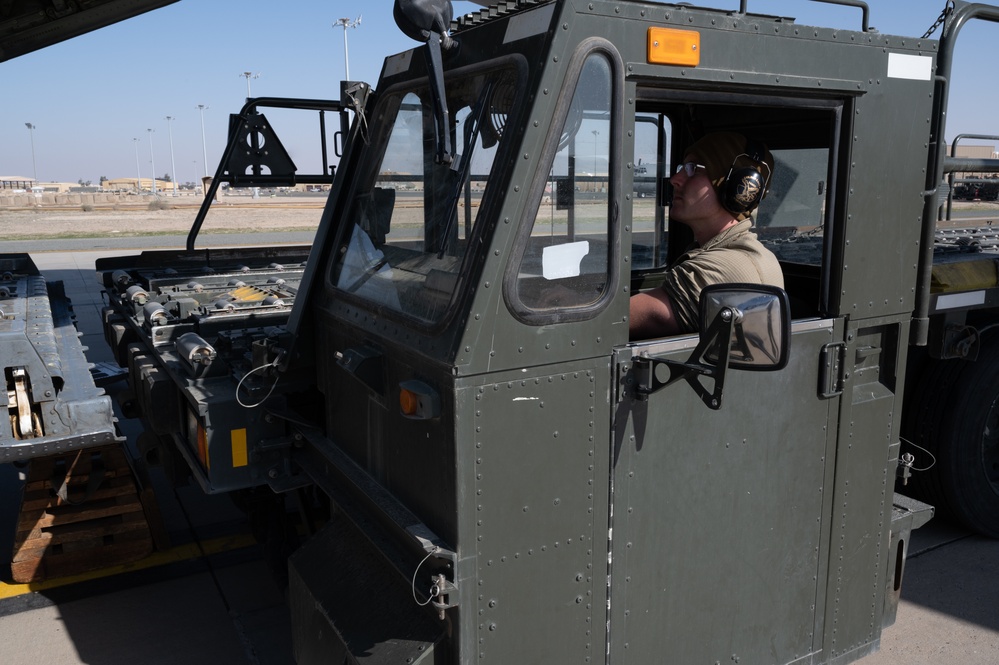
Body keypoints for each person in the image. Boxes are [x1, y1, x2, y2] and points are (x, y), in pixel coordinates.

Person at [629, 132, 785, 340]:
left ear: (736, 186)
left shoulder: (725, 267)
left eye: (694, 169)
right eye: (682, 168)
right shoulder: (734, 251)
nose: (675, 179)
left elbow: (609, 321)